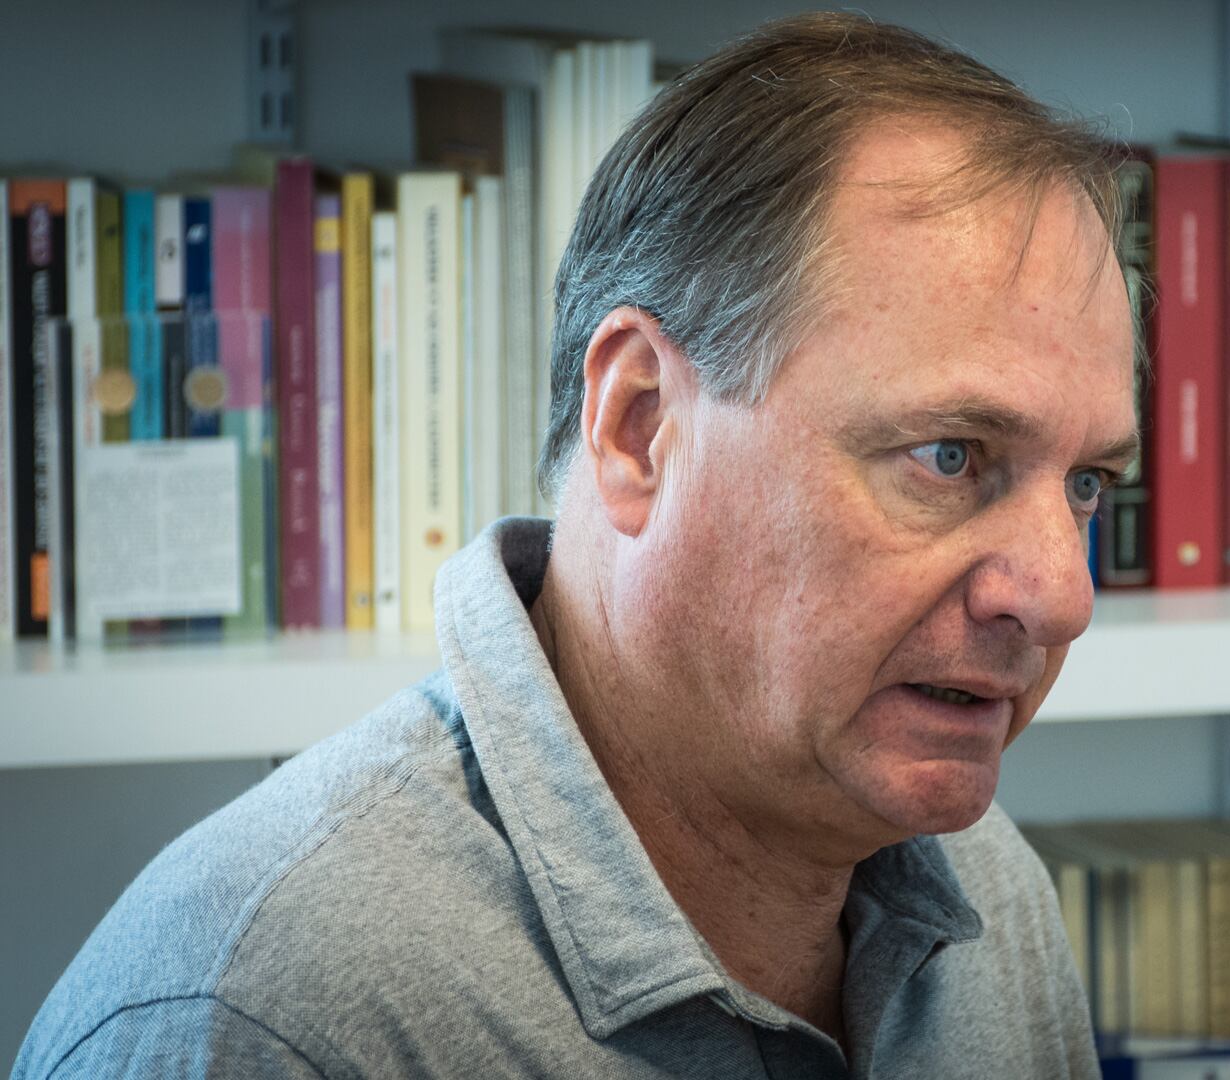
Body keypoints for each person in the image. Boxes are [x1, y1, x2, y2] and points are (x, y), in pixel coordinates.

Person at [13, 11, 1139, 1079]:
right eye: (951, 456)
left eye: (1087, 482)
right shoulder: (263, 1013)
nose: (1061, 597)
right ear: (639, 426)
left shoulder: (990, 898)